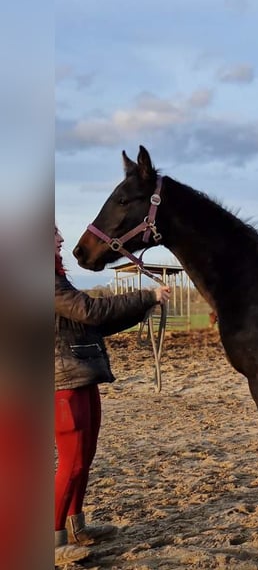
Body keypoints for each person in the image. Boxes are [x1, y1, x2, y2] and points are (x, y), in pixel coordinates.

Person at [54, 225, 170, 566]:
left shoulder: (56, 279)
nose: (61, 240)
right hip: (61, 382)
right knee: (72, 463)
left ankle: (76, 528)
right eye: (52, 234)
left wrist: (142, 308)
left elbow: (95, 324)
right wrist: (145, 296)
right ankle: (52, 540)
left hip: (80, 376)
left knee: (84, 458)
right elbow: (90, 310)